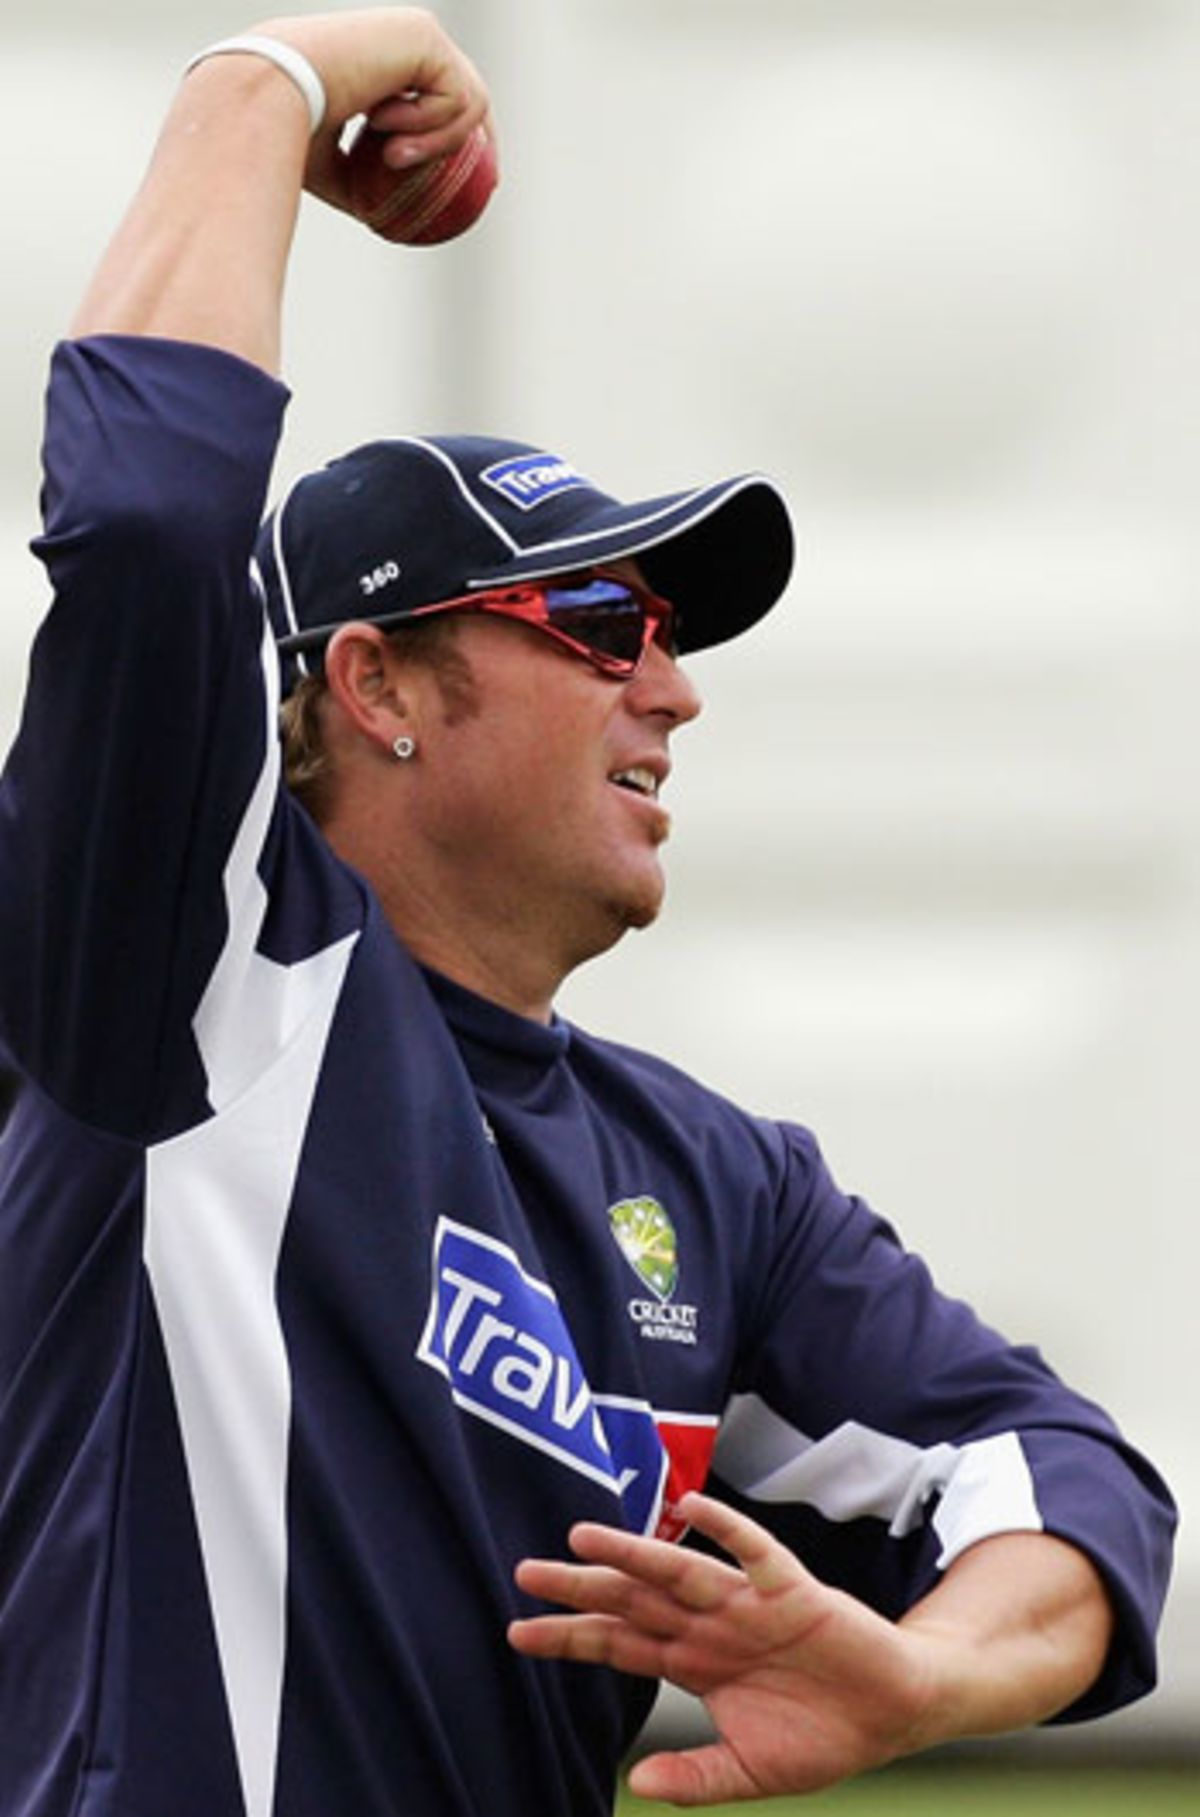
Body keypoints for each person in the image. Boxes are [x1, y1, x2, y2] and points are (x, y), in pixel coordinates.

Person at [0, 10, 1176, 1817]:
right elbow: (155, 518)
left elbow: (1062, 1474)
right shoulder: (200, 975)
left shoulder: (713, 1183)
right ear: (379, 684)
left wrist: (922, 1673)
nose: (676, 694)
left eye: (675, 642)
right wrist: (280, 81)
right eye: (606, 631)